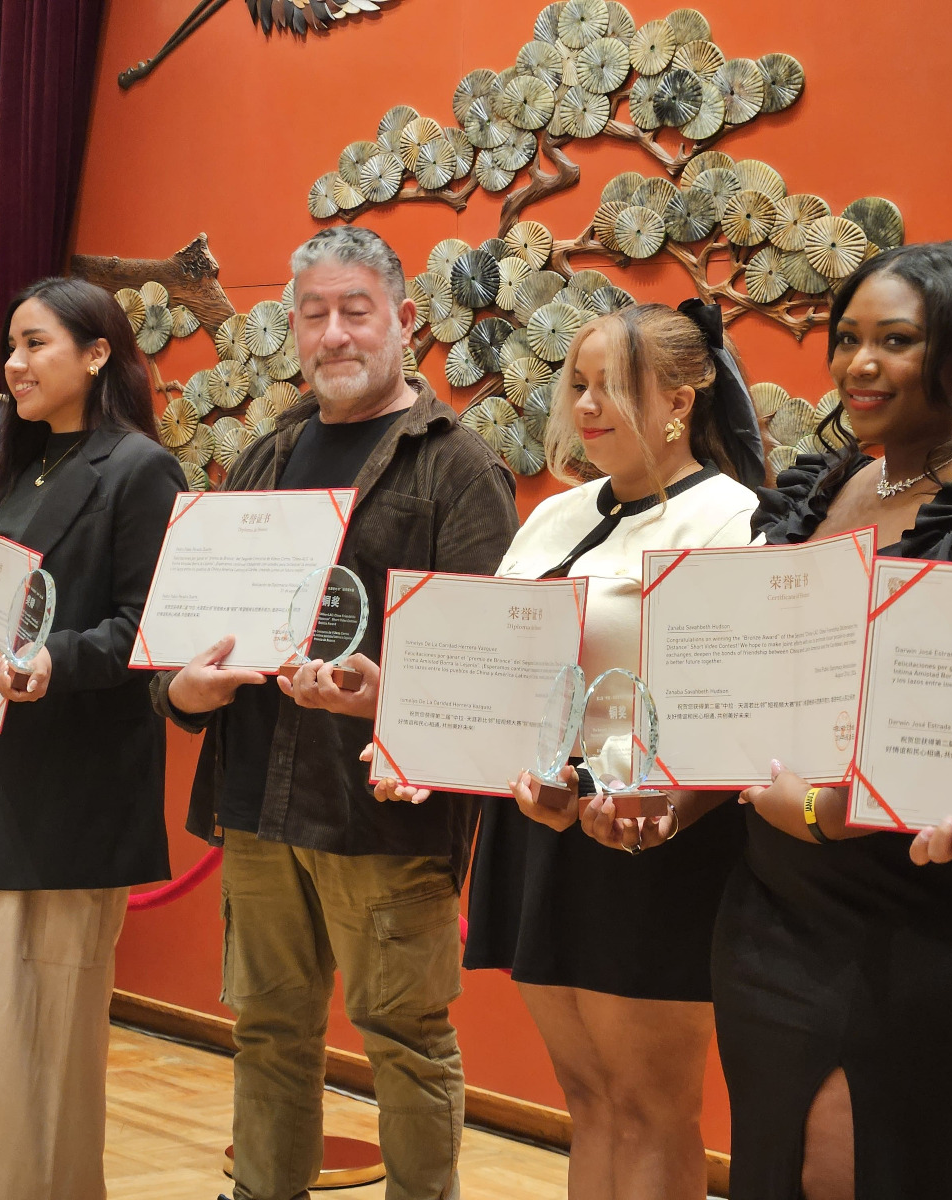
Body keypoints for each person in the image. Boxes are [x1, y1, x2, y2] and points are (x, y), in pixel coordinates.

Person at [713, 241, 952, 1200]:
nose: (858, 364)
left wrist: (829, 809)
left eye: (895, 340)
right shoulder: (818, 491)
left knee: (871, 1173)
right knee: (780, 1174)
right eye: (847, 339)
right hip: (777, 919)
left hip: (941, 927)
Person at [149, 225, 518, 1200]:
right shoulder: (260, 461)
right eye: (312, 314)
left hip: (380, 814)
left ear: (404, 321)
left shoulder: (458, 467)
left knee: (405, 1040)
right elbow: (188, 641)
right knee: (268, 1035)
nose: (333, 334)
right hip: (258, 800)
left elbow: (487, 663)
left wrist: (381, 692)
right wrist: (181, 691)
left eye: (355, 311)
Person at [383, 302, 761, 1200]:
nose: (588, 407)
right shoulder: (556, 515)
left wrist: (601, 774)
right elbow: (498, 661)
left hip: (644, 834)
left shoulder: (729, 516)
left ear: (682, 397)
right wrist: (405, 721)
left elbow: (714, 701)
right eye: (579, 385)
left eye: (614, 387)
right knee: (589, 1099)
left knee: (651, 1107)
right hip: (534, 827)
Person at [0, 277, 183, 1199]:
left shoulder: (139, 469)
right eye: (11, 348)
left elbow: (150, 630)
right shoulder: (11, 470)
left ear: (98, 352)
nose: (14, 366)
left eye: (35, 345)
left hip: (68, 795)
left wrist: (54, 662)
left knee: (37, 1034)